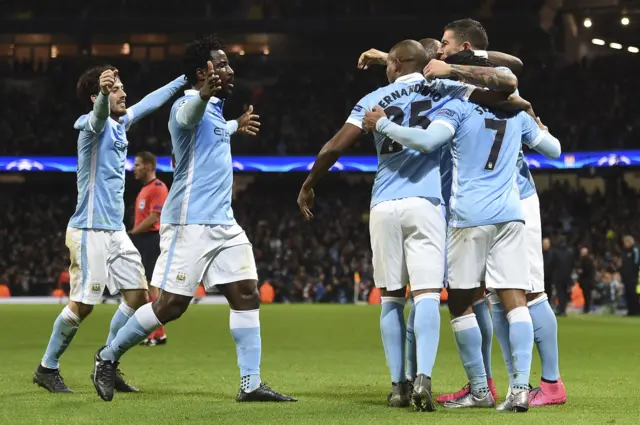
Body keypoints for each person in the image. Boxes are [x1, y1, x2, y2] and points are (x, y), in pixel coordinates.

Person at [298, 39, 521, 411]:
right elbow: (505, 88)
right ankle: (424, 379)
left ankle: (398, 386)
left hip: (384, 204)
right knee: (428, 296)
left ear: (395, 64)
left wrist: (309, 184)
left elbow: (334, 147)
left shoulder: (374, 98)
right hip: (427, 203)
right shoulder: (446, 89)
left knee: (390, 300)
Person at [90, 35, 295, 404]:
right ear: (203, 73)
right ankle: (106, 358)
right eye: (223, 64)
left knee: (247, 294)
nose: (230, 69)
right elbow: (188, 117)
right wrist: (201, 94)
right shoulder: (187, 105)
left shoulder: (215, 111)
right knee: (171, 305)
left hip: (224, 224)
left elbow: (212, 132)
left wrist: (236, 124)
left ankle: (251, 383)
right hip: (189, 223)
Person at [362, 59, 561, 412]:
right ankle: (519, 389)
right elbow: (554, 150)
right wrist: (537, 124)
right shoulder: (516, 114)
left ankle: (481, 390)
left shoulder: (459, 109)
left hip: (469, 217)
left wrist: (385, 124)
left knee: (459, 302)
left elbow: (424, 142)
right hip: (512, 217)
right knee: (515, 299)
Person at [33, 66, 186, 393]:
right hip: (89, 230)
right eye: (115, 88)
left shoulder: (121, 123)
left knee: (138, 296)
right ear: (97, 96)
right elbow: (98, 115)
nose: (122, 92)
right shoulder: (90, 127)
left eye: (120, 87)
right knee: (84, 305)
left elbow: (148, 102)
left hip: (115, 231)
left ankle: (107, 360)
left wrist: (184, 78)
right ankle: (47, 367)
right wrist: (103, 95)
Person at [130, 151, 169, 346]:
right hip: (143, 240)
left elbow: (154, 218)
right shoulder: (145, 189)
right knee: (145, 287)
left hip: (151, 239)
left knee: (153, 286)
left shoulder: (158, 187)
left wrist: (132, 233)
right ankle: (155, 333)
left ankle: (158, 334)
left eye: (137, 165)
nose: (134, 168)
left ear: (148, 166)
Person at [553, 235, 574, 316]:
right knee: (564, 293)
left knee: (560, 293)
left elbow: (553, 264)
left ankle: (561, 309)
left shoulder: (556, 252)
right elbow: (572, 265)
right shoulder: (569, 252)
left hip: (558, 276)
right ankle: (563, 310)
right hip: (567, 276)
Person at [621, 235, 640, 316]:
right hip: (626, 277)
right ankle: (630, 311)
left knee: (633, 294)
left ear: (629, 242)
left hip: (633, 277)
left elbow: (636, 262)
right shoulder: (625, 251)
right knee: (628, 294)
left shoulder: (635, 250)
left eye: (625, 242)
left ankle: (636, 311)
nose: (624, 244)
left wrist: (634, 274)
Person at [578, 247, 596, 314]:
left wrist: (581, 272)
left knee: (587, 296)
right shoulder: (583, 260)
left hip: (587, 281)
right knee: (586, 296)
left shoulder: (588, 261)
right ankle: (586, 308)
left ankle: (587, 309)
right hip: (585, 281)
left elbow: (586, 271)